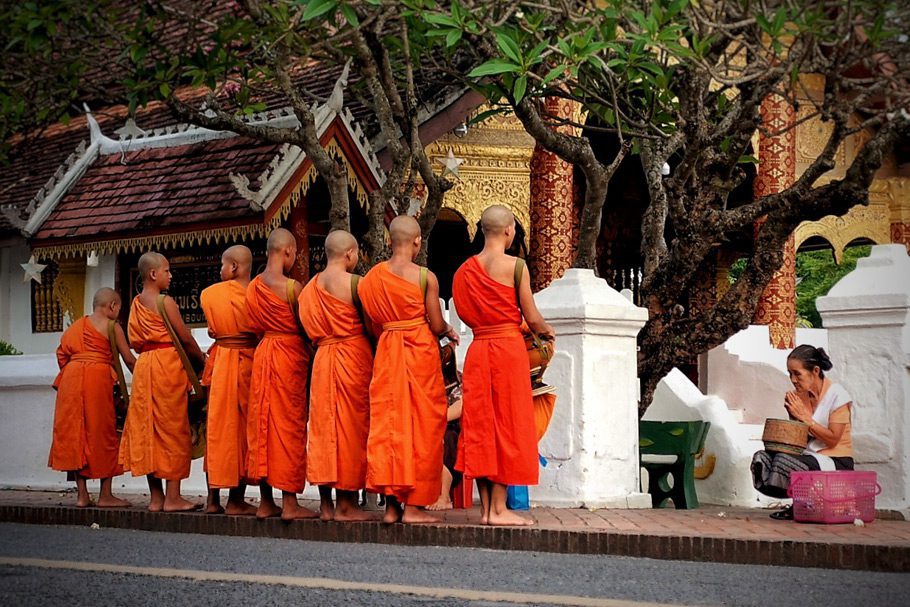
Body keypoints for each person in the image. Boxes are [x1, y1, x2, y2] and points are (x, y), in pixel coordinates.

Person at [452, 205, 555, 526]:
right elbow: (532, 316)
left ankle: (486, 509)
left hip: (479, 350)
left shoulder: (463, 271)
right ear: (509, 231)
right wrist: (545, 332)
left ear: (483, 231)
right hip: (508, 352)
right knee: (507, 427)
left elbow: (466, 314)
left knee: (481, 426)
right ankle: (498, 510)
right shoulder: (516, 267)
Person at [358, 215, 458, 524]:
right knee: (423, 429)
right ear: (417, 242)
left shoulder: (372, 278)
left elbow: (372, 321)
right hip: (419, 353)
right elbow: (436, 321)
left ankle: (391, 508)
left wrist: (392, 332)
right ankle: (413, 508)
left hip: (388, 351)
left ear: (390, 240)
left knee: (390, 427)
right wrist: (447, 331)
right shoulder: (426, 277)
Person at [119, 252, 205, 512]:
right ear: (153, 274)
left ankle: (156, 499)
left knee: (148, 429)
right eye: (167, 271)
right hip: (167, 364)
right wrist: (202, 362)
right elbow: (186, 339)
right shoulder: (165, 302)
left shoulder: (135, 303)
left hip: (145, 366)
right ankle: (174, 498)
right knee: (173, 428)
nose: (171, 275)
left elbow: (134, 340)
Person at [298, 230, 373, 522]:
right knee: (351, 430)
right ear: (349, 254)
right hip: (353, 357)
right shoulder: (357, 284)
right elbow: (370, 325)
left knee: (324, 429)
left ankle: (326, 505)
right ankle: (347, 504)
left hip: (323, 360)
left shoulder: (307, 291)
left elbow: (306, 331)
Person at [246, 228, 316, 521]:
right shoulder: (291, 288)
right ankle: (289, 503)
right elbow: (306, 329)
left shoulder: (252, 287)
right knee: (288, 427)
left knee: (261, 424)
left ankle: (265, 502)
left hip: (263, 354)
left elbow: (251, 325)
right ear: (288, 251)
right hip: (289, 355)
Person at [48, 287, 136, 508]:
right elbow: (128, 359)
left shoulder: (76, 326)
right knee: (105, 432)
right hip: (96, 379)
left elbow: (62, 355)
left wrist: (76, 372)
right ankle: (105, 495)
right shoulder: (112, 326)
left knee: (76, 434)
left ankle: (82, 495)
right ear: (112, 307)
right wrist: (146, 379)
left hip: (71, 379)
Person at [751, 344, 855, 520]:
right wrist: (792, 418)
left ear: (815, 371)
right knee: (762, 458)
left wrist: (805, 418)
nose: (793, 379)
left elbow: (833, 440)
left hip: (837, 460)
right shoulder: (799, 396)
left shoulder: (838, 396)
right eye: (790, 373)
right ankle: (801, 503)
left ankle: (803, 504)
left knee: (785, 462)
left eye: (797, 373)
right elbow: (799, 440)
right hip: (809, 456)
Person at [199, 245, 259, 516]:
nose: (220, 271)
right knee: (245, 432)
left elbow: (213, 329)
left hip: (222, 361)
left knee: (217, 430)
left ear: (234, 267)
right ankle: (236, 500)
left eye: (222, 265)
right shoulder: (257, 295)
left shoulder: (210, 294)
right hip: (249, 361)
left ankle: (213, 500)